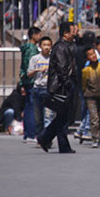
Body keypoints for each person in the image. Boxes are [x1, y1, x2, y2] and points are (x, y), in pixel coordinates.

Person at [37, 22, 79, 154]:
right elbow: (62, 69)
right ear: (66, 33)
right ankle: (44, 137)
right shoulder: (61, 47)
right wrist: (68, 84)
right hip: (61, 88)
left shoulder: (67, 46)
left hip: (64, 86)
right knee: (62, 117)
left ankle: (60, 144)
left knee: (63, 117)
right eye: (73, 31)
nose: (75, 33)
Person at [81, 45, 100, 148]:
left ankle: (98, 133)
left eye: (93, 53)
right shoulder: (86, 71)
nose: (93, 56)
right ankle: (95, 138)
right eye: (90, 55)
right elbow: (84, 85)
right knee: (94, 118)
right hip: (91, 97)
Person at [19, 27, 41, 142]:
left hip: (26, 80)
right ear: (33, 35)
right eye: (38, 35)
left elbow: (22, 67)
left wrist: (22, 82)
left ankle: (27, 133)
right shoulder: (32, 50)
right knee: (32, 107)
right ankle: (32, 133)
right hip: (32, 81)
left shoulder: (26, 48)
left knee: (28, 107)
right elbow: (30, 66)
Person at [28, 36, 53, 136]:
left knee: (48, 116)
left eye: (48, 45)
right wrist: (37, 70)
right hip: (37, 89)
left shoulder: (53, 59)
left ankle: (46, 138)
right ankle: (39, 136)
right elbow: (29, 74)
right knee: (38, 117)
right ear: (40, 46)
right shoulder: (35, 58)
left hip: (48, 89)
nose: (46, 47)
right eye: (44, 45)